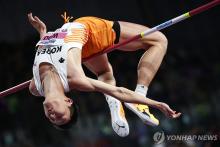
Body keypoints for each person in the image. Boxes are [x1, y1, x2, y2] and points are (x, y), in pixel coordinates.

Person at [28, 12, 181, 136]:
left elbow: (44, 51)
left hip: (82, 45)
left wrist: (42, 32)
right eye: (60, 117)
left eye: (53, 120)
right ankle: (140, 95)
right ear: (68, 101)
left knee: (104, 73)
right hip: (90, 29)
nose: (53, 116)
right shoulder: (75, 78)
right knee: (159, 40)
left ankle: (114, 107)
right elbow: (118, 91)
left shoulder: (35, 87)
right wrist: (156, 104)